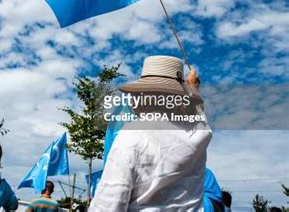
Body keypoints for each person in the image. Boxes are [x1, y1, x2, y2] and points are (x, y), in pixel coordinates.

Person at [89, 55, 213, 211]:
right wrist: (193, 90)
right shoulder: (200, 132)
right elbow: (198, 114)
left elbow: (108, 205)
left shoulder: (131, 135)